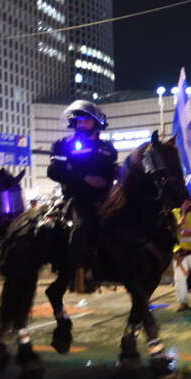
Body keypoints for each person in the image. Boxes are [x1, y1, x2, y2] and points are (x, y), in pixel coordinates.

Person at [47, 100, 118, 293]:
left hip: (105, 198)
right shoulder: (63, 145)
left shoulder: (108, 148)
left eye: (85, 120)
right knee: (83, 225)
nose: (80, 124)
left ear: (96, 122)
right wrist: (86, 178)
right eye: (78, 121)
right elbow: (54, 171)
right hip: (78, 197)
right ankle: (75, 272)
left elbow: (110, 170)